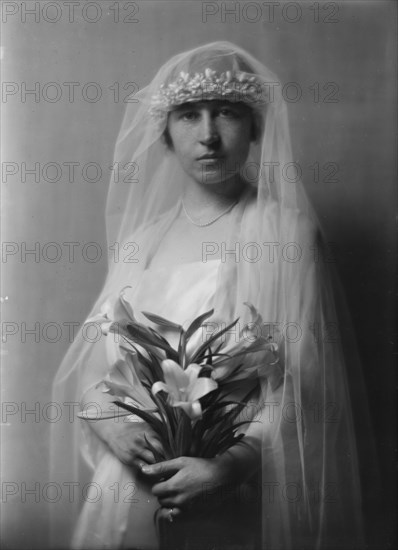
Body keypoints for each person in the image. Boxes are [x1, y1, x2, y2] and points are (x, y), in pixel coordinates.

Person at [50, 41, 368, 550]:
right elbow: (94, 371)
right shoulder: (141, 243)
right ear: (165, 134)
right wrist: (113, 430)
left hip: (235, 488)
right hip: (129, 486)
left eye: (227, 113)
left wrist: (227, 467)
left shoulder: (283, 234)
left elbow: (304, 385)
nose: (209, 136)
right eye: (188, 115)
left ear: (256, 128)